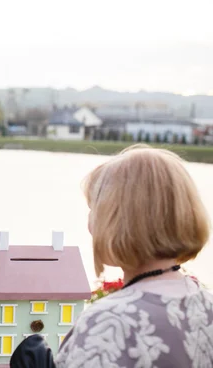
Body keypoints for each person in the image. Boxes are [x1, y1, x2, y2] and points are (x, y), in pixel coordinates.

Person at [55, 145, 212, 367]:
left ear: (118, 221)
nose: (90, 224)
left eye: (95, 209)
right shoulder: (207, 306)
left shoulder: (109, 322)